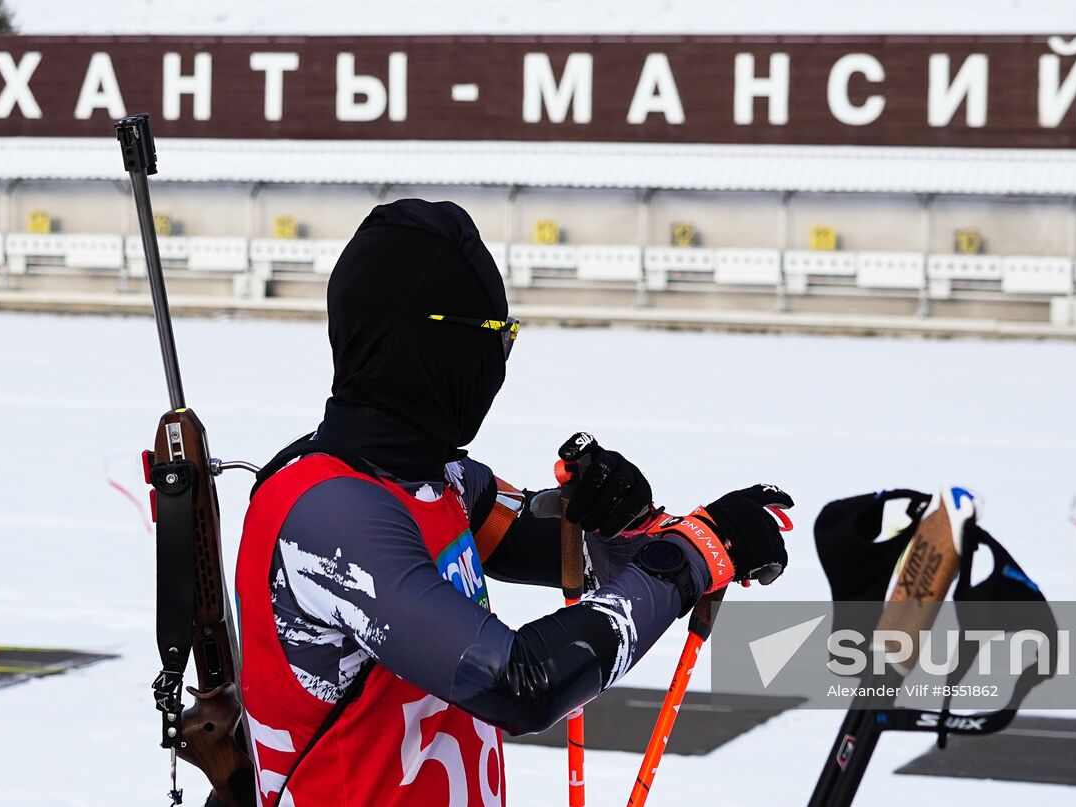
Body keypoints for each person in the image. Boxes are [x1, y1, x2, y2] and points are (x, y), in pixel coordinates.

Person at [233, 198, 794, 807]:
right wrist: (687, 559)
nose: (498, 363)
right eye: (494, 337)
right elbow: (521, 683)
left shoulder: (437, 477)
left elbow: (565, 555)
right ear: (427, 345)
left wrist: (619, 520)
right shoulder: (330, 515)